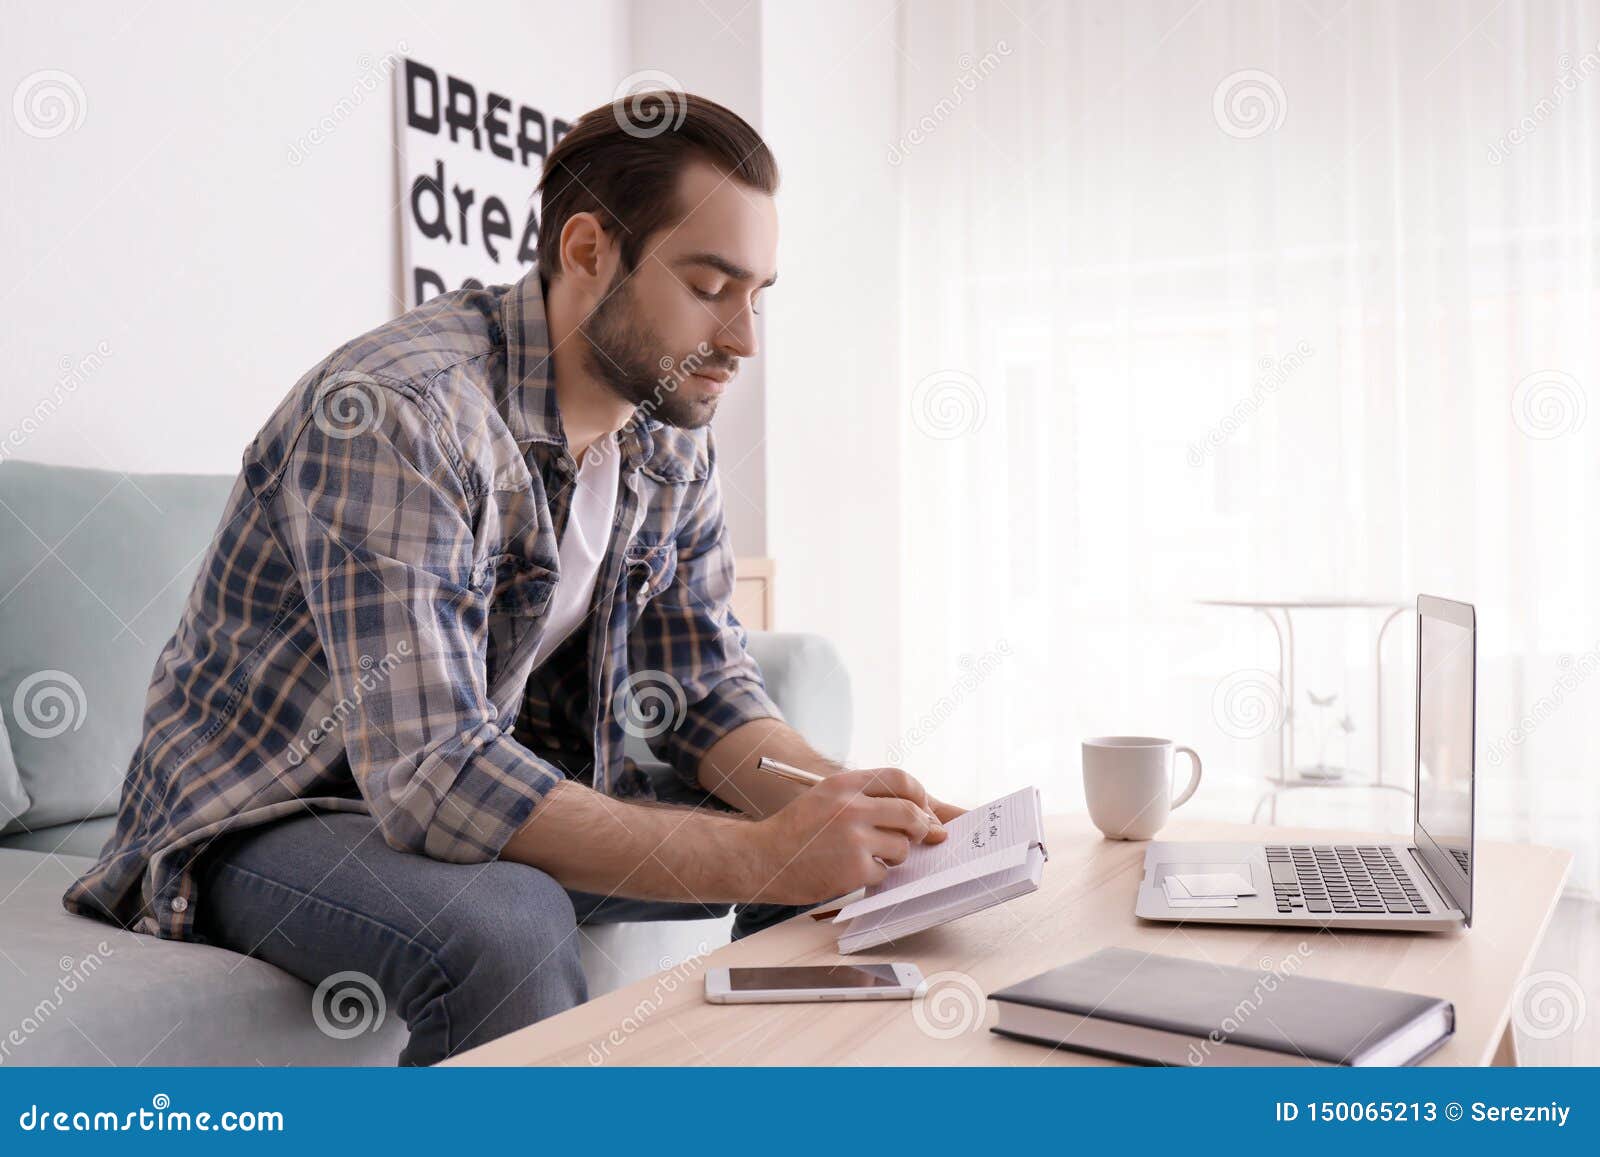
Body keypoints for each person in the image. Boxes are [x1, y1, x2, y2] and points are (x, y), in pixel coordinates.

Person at [63, 91, 964, 1066]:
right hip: (262, 812)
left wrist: (846, 807)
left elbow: (703, 686)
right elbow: (436, 773)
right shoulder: (399, 414)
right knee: (508, 923)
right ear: (587, 251)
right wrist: (767, 853)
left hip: (433, 785)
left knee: (816, 847)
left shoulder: (665, 427)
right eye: (710, 286)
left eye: (758, 295)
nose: (744, 338)